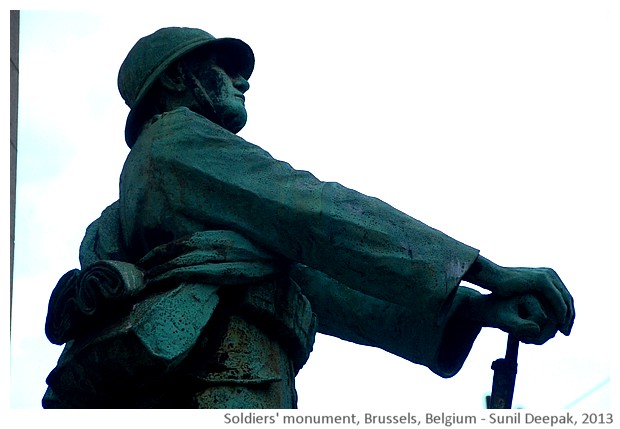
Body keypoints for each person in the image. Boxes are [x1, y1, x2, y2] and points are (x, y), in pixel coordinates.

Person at [43, 27, 574, 409]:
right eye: (225, 69)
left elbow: (320, 282)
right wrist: (486, 272)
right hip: (224, 380)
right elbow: (318, 214)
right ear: (179, 79)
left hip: (226, 378)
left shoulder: (163, 197)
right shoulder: (176, 140)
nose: (242, 82)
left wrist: (473, 310)